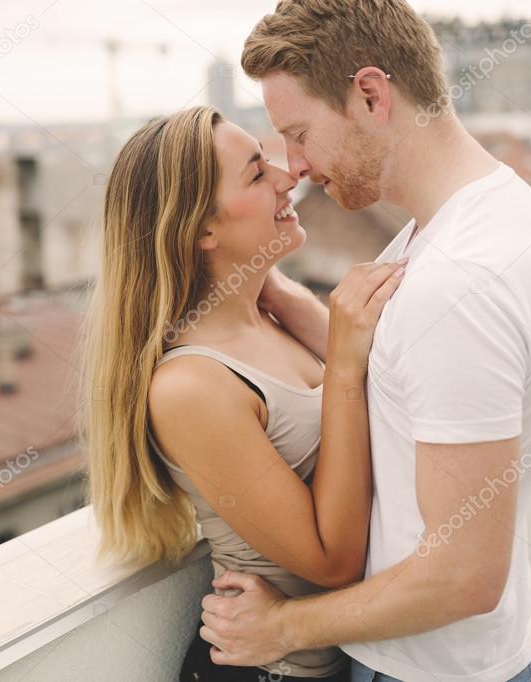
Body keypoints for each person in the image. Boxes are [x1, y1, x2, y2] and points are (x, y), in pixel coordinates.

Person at [198, 2, 531, 681]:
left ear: (371, 95)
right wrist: (283, 295)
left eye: (299, 133)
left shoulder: (458, 284)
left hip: (431, 665)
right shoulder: (487, 206)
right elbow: (411, 375)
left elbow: (461, 577)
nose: (297, 167)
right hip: (493, 645)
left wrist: (282, 627)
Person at [82, 105, 406, 680]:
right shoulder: (192, 386)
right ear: (202, 229)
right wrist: (346, 364)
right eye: (257, 174)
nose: (288, 177)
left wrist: (276, 287)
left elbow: (400, 393)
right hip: (275, 671)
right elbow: (331, 561)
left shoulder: (269, 318)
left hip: (354, 657)